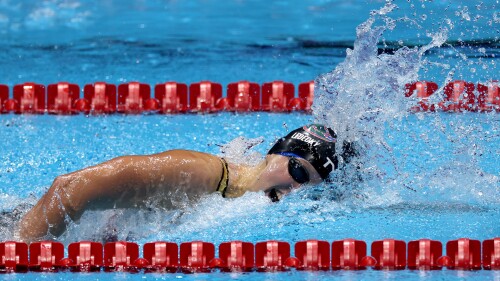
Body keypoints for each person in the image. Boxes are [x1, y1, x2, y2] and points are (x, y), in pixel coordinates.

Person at [18, 124, 350, 242]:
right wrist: (21, 252)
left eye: (309, 185)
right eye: (299, 172)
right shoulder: (196, 173)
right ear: (277, 152)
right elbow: (68, 188)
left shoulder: (227, 195)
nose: (295, 189)